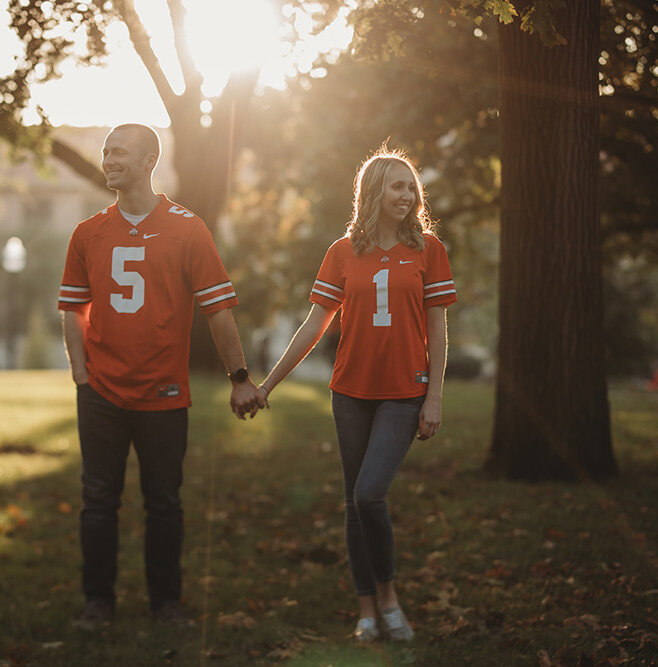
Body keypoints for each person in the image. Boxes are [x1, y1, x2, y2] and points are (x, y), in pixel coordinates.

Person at [58, 123, 265, 626]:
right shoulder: (88, 232)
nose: (109, 159)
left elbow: (218, 311)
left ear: (150, 160)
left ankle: (166, 603)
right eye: (106, 151)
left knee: (165, 503)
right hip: (101, 391)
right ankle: (98, 602)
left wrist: (240, 376)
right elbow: (72, 307)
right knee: (98, 500)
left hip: (165, 392)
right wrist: (81, 372)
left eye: (120, 152)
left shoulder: (187, 227)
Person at [257, 147, 457, 642]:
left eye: (412, 188)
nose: (407, 196)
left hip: (404, 393)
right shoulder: (342, 252)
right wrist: (267, 384)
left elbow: (439, 328)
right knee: (353, 502)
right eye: (397, 186)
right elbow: (313, 326)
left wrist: (434, 398)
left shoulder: (429, 249)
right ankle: (366, 610)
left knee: (370, 495)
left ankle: (389, 600)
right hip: (351, 392)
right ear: (372, 193)